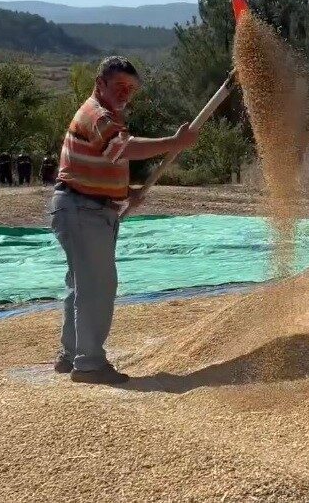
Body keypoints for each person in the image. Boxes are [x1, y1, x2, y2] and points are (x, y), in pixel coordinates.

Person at [50, 56, 197, 385]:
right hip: (83, 210)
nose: (125, 93)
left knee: (82, 285)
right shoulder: (97, 114)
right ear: (100, 83)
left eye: (131, 89)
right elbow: (121, 150)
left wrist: (123, 191)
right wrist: (173, 143)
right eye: (119, 86)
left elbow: (102, 162)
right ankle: (89, 364)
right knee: (97, 287)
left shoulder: (106, 116)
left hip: (85, 208)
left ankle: (71, 354)